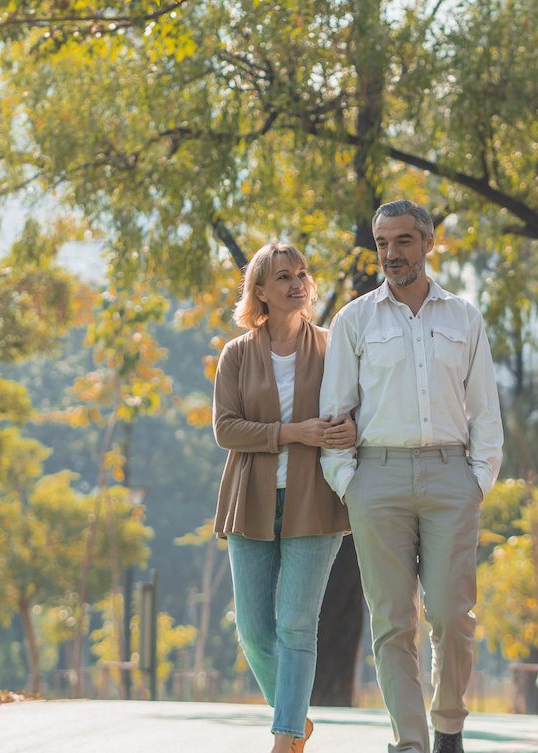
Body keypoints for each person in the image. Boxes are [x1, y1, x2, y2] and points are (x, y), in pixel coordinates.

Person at [320, 200, 503, 753]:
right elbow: (335, 413)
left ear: (427, 243)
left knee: (452, 614)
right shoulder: (354, 320)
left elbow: (485, 409)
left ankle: (449, 725)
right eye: (382, 244)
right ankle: (411, 743)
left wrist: (479, 478)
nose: (391, 254)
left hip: (452, 476)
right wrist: (349, 481)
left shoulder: (464, 317)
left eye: (403, 241)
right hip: (378, 479)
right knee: (393, 622)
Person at [212, 242, 356, 753]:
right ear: (260, 292)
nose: (298, 284)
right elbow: (226, 430)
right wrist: (294, 433)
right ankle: (294, 716)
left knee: (297, 625)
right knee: (253, 631)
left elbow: (354, 409)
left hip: (314, 501)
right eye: (283, 278)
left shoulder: (334, 346)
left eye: (302, 274)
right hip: (248, 500)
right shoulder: (236, 353)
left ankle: (286, 736)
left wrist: (346, 432)